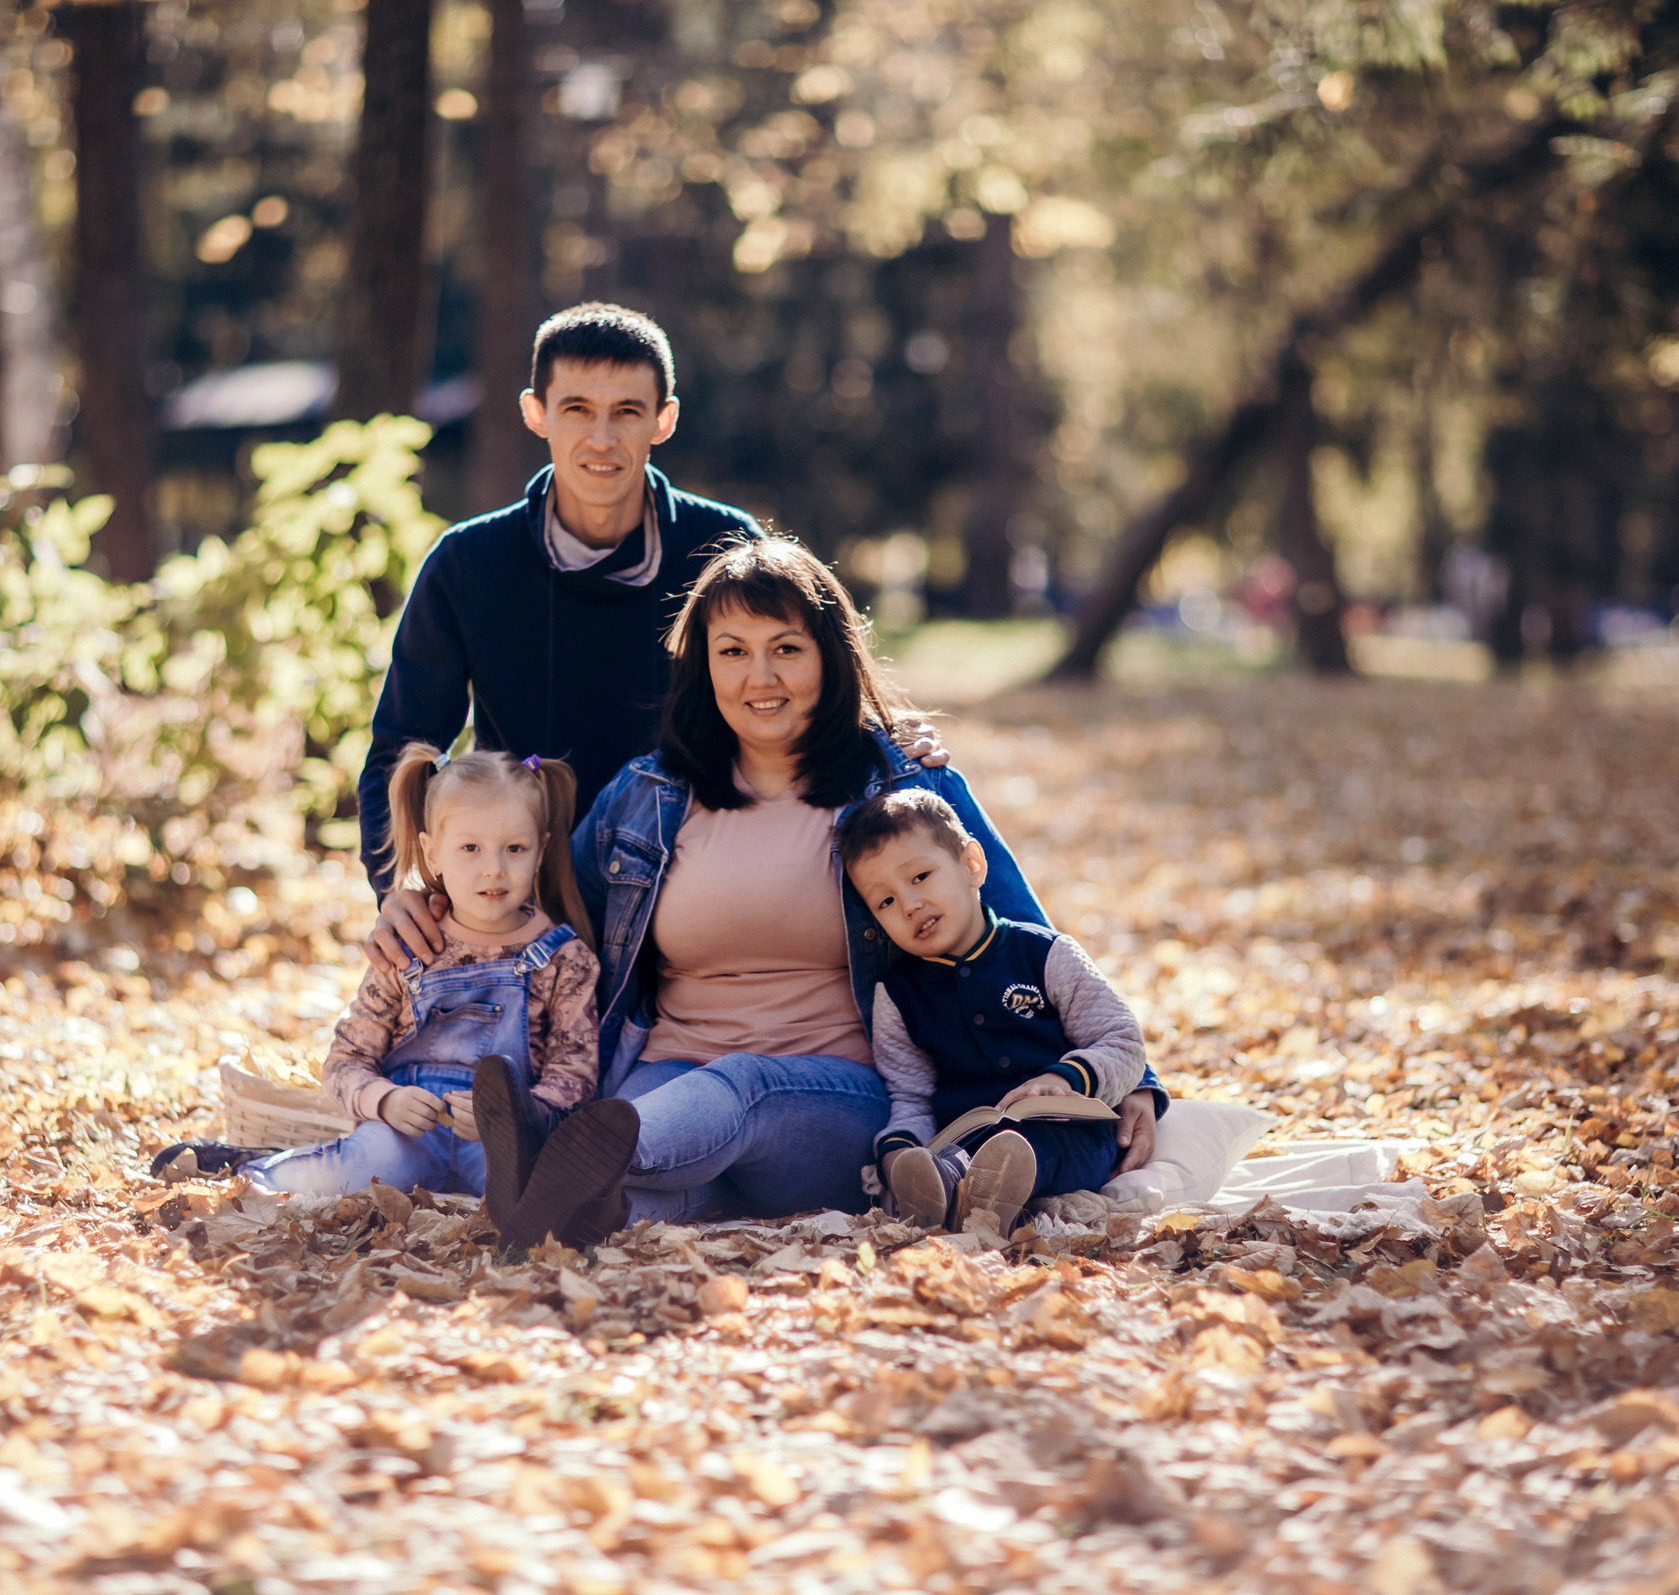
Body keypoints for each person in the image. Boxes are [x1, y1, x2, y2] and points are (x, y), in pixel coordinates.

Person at [471, 538, 1164, 1249]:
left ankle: (554, 1145)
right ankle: (560, 1202)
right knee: (645, 1191)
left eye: (786, 649)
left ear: (829, 655)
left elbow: (1021, 934)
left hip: (843, 1097)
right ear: (703, 662)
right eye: (733, 650)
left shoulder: (901, 785)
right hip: (668, 1078)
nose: (759, 676)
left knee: (737, 1086)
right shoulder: (647, 794)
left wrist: (1132, 1076)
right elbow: (546, 920)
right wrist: (425, 907)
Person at [356, 301, 952, 976]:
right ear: (536, 413)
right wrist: (396, 885)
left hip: (699, 873)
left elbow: (794, 681)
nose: (602, 438)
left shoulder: (722, 548)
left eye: (627, 412)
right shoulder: (467, 563)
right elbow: (401, 751)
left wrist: (888, 739)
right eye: (577, 408)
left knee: (935, 789)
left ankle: (1023, 1006)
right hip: (523, 889)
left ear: (663, 419)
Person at [151, 748, 601, 1201]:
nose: (493, 868)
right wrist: (385, 1100)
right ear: (432, 852)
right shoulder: (408, 947)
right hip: (403, 1136)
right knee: (344, 1172)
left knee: (541, 1195)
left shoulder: (563, 959)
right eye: (470, 847)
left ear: (540, 850)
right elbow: (346, 1061)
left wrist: (515, 1117)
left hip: (500, 1146)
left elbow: (575, 1076)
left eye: (514, 849)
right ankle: (247, 1174)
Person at [839, 787, 1147, 1235]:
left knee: (1034, 1143)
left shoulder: (1045, 954)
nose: (909, 905)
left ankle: (987, 1189)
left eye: (920, 876)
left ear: (971, 865)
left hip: (1066, 1132)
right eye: (885, 902)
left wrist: (1064, 1079)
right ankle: (941, 1188)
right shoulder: (898, 995)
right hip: (963, 1139)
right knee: (945, 1157)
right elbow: (910, 1095)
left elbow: (1122, 1042)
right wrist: (899, 1150)